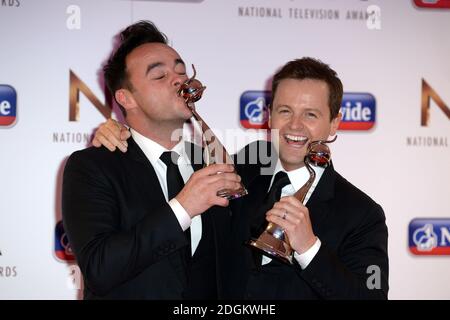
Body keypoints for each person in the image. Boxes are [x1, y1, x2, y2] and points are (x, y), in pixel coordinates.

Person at [92, 58, 389, 300]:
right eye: (285, 111)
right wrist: (123, 134)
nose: (295, 125)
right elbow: (165, 161)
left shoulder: (362, 213)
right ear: (269, 115)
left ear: (335, 121)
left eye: (311, 114)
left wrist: (309, 247)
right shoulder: (244, 168)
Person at [62, 20, 242, 299]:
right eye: (160, 76)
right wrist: (184, 207)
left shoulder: (212, 163)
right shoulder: (93, 166)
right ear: (126, 98)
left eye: (182, 71)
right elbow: (99, 268)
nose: (179, 80)